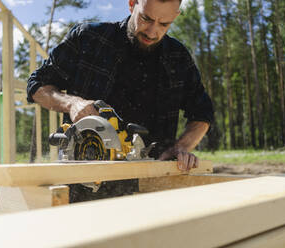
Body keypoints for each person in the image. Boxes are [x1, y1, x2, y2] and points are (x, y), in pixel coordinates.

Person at [27, 0, 214, 202]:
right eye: (146, 18)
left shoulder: (178, 58)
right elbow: (37, 86)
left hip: (150, 186)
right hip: (80, 183)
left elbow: (202, 113)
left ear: (175, 16)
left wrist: (181, 147)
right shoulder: (89, 39)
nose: (152, 32)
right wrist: (72, 103)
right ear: (132, 4)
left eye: (164, 24)